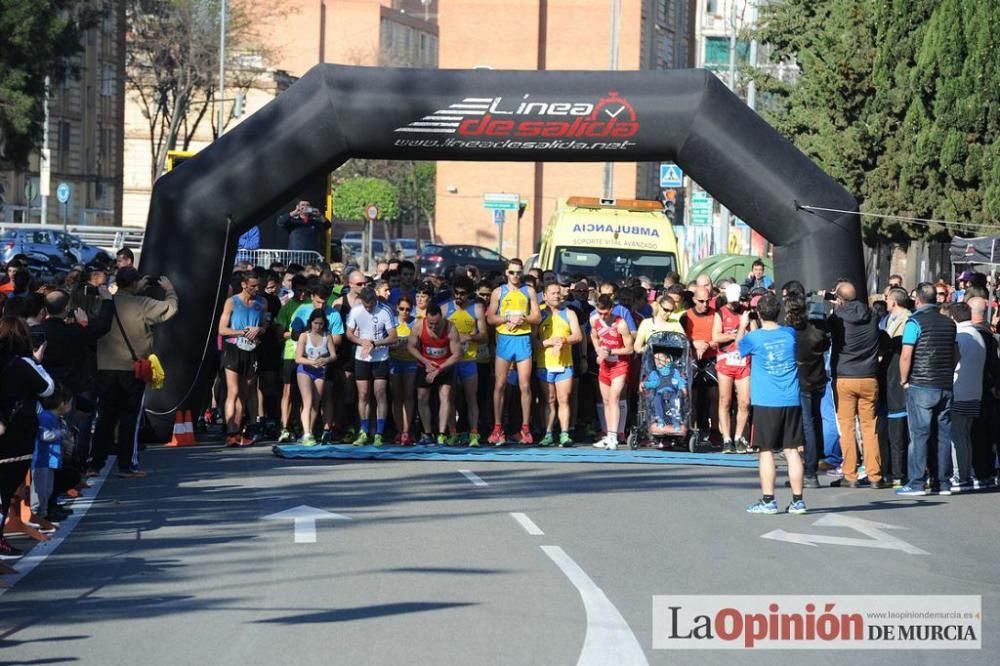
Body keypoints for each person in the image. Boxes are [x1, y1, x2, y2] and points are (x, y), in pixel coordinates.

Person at [92, 270, 177, 477]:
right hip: (132, 369)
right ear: (134, 283)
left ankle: (94, 464)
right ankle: (126, 465)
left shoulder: (105, 303)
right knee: (129, 418)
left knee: (105, 417)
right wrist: (170, 290)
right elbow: (170, 308)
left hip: (105, 367)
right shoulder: (143, 303)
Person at [736, 293, 807, 515]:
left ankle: (769, 500)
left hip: (767, 400)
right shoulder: (789, 334)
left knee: (766, 450)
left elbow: (740, 347)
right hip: (791, 399)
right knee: (792, 450)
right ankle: (798, 501)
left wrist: (743, 325)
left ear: (758, 313)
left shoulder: (753, 337)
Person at [0, 316, 55, 559]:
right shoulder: (22, 364)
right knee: (5, 488)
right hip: (16, 432)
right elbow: (47, 388)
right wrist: (37, 362)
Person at [896, 283, 959, 496]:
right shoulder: (949, 324)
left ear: (918, 300)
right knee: (943, 434)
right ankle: (943, 482)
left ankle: (916, 482)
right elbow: (956, 353)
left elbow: (906, 354)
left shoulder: (914, 322)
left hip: (921, 384)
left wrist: (904, 380)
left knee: (919, 434)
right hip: (944, 385)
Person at [828, 280, 884, 488]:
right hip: (869, 376)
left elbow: (830, 330)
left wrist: (835, 307)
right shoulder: (872, 315)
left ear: (839, 298)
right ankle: (874, 475)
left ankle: (850, 474)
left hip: (845, 376)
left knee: (848, 427)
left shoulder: (837, 317)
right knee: (870, 428)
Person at [487, 259, 541, 445]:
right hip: (505, 341)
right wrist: (508, 317)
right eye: (512, 272)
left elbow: (537, 316)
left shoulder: (529, 291)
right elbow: (490, 318)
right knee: (500, 385)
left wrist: (522, 319)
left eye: (518, 272)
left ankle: (525, 428)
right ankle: (497, 427)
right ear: (506, 273)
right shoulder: (498, 292)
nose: (515, 276)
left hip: (523, 340)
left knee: (524, 385)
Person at [217, 271, 269, 447]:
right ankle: (231, 432)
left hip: (252, 350)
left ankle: (239, 432)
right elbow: (222, 329)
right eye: (253, 286)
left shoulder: (262, 303)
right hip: (233, 348)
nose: (256, 289)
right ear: (244, 284)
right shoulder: (232, 302)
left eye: (258, 286)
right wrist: (243, 332)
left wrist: (259, 330)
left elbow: (264, 325)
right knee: (233, 391)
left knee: (246, 393)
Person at [784, 294, 829, 488]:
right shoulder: (816, 328)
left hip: (801, 380)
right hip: (817, 378)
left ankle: (810, 472)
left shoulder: (790, 332)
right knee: (816, 421)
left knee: (807, 424)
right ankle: (813, 466)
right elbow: (825, 343)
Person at [345, 286, 397, 446]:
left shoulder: (384, 311)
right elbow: (349, 333)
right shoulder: (356, 311)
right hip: (362, 357)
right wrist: (362, 342)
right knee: (363, 394)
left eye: (371, 305)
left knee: (380, 393)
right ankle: (364, 430)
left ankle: (379, 432)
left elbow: (393, 336)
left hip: (380, 356)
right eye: (365, 305)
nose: (368, 309)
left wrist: (375, 343)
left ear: (375, 300)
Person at [535, 282, 583, 447]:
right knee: (549, 399)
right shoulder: (539, 314)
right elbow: (532, 340)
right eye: (552, 293)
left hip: (564, 364)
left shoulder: (569, 313)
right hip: (545, 364)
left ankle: (564, 433)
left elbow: (578, 336)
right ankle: (547, 433)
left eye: (558, 293)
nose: (556, 296)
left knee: (564, 399)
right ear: (545, 295)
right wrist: (548, 342)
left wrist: (563, 340)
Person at [443, 275, 488, 446]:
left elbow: (484, 336)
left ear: (469, 294)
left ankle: (474, 432)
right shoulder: (445, 308)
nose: (458, 297)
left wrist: (468, 336)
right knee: (450, 397)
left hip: (469, 359)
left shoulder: (476, 308)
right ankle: (452, 432)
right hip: (450, 361)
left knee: (471, 397)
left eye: (462, 294)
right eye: (456, 293)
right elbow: (435, 333)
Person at [409, 303, 462, 445]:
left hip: (444, 365)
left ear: (442, 318)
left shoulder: (450, 328)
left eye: (436, 323)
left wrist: (440, 368)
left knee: (445, 396)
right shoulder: (419, 326)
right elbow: (411, 347)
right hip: (425, 364)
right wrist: (425, 362)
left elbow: (457, 354)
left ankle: (442, 433)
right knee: (422, 397)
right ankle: (427, 433)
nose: (433, 327)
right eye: (430, 324)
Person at [713, 284, 755, 454]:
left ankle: (738, 437)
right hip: (725, 360)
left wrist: (744, 332)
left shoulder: (746, 312)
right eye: (730, 302)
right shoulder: (721, 312)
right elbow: (716, 336)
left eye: (735, 301)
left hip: (743, 361)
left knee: (744, 401)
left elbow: (753, 334)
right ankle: (726, 439)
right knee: (725, 400)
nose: (733, 305)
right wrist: (734, 335)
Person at [948, 302, 984, 493]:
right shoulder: (977, 335)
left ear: (953, 317)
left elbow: (952, 362)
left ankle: (960, 476)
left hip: (959, 391)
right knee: (965, 435)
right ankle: (966, 473)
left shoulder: (960, 335)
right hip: (974, 392)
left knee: (958, 436)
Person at [591, 294, 634, 450]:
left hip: (619, 365)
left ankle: (614, 436)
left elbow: (630, 348)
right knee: (606, 400)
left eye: (605, 313)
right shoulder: (594, 320)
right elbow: (594, 337)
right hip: (605, 365)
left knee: (614, 397)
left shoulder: (620, 323)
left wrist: (611, 350)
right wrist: (599, 351)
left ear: (611, 309)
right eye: (599, 312)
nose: (602, 316)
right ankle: (608, 435)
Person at [967, 296, 1000, 489]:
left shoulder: (973, 335)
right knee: (987, 433)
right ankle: (986, 472)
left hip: (978, 389)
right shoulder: (991, 336)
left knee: (978, 432)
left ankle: (981, 472)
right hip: (987, 389)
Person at [879, 288, 911, 487]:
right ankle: (889, 470)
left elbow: (905, 352)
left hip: (897, 380)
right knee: (889, 429)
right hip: (888, 377)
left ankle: (899, 472)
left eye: (887, 298)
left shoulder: (907, 320)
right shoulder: (888, 319)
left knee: (898, 429)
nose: (885, 301)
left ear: (894, 302)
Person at [30, 388, 72, 526]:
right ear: (61, 404)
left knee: (48, 489)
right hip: (41, 460)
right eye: (68, 403)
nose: (70, 406)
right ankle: (37, 516)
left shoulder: (55, 418)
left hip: (50, 460)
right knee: (40, 490)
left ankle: (44, 515)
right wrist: (61, 434)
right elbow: (45, 435)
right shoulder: (46, 417)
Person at [294, 309, 337, 445]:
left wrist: (326, 360)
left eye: (321, 324)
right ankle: (306, 433)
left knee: (315, 403)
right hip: (305, 370)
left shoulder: (327, 336)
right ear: (310, 323)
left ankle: (310, 431)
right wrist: (313, 362)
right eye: (315, 323)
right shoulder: (304, 336)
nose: (318, 326)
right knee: (307, 401)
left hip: (320, 371)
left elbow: (334, 355)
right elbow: (298, 358)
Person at [275, 275, 309, 442]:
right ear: (293, 289)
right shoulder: (287, 307)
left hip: (308, 355)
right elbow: (280, 334)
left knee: (304, 394)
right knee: (288, 392)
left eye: (305, 291)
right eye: (299, 290)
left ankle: (302, 426)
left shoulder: (311, 305)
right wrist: (294, 334)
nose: (302, 294)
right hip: (290, 354)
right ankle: (284, 426)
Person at [681, 285, 719, 440]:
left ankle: (715, 431)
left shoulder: (716, 314)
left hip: (711, 358)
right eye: (701, 301)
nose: (705, 304)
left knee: (715, 397)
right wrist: (694, 343)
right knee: (692, 397)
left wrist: (708, 344)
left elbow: (721, 335)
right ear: (694, 299)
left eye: (707, 301)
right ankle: (692, 430)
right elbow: (681, 339)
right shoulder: (686, 316)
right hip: (693, 359)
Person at [389, 296, 418, 445]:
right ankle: (399, 430)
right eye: (402, 309)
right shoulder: (392, 322)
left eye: (407, 309)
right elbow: (386, 342)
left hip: (410, 362)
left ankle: (406, 431)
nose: (405, 312)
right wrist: (396, 345)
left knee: (408, 395)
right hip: (394, 361)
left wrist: (408, 344)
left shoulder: (415, 322)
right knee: (396, 397)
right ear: (397, 308)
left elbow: (419, 343)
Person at [642, 351, 687, 432]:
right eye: (655, 359)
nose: (658, 360)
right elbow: (654, 383)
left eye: (660, 358)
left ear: (667, 360)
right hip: (659, 393)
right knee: (656, 400)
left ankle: (676, 422)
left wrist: (683, 388)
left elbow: (680, 380)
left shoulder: (674, 371)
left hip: (673, 393)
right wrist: (645, 384)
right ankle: (660, 419)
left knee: (675, 402)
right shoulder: (654, 373)